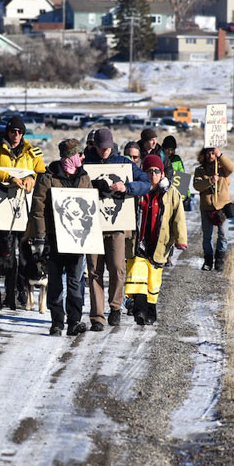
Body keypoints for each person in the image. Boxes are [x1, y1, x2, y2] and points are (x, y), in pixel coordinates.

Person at [83, 128, 150, 331]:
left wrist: (127, 187)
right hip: (92, 226)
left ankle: (115, 307)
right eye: (102, 147)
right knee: (94, 271)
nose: (105, 151)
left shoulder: (123, 163)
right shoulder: (85, 163)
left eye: (108, 147)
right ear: (95, 145)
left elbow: (145, 183)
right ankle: (97, 317)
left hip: (117, 226)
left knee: (117, 268)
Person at [0, 115, 46, 306]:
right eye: (13, 131)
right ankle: (9, 290)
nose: (16, 135)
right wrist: (7, 177)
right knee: (7, 252)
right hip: (5, 207)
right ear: (7, 132)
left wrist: (32, 177)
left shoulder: (32, 152)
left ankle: (22, 289)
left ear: (23, 134)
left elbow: (42, 172)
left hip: (24, 208)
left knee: (24, 254)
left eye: (19, 132)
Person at [29, 139, 91, 336]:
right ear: (70, 157)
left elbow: (90, 209)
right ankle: (56, 322)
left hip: (76, 240)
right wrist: (40, 237)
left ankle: (74, 321)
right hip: (54, 238)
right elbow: (38, 209)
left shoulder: (84, 177)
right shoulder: (48, 177)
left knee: (75, 282)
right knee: (55, 282)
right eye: (79, 154)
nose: (82, 157)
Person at [124, 154, 187, 325]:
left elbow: (178, 217)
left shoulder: (171, 193)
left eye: (156, 171)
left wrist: (181, 239)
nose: (153, 175)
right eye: (149, 171)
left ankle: (150, 313)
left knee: (153, 279)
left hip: (159, 242)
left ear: (162, 173)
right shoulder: (137, 191)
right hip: (138, 241)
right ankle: (139, 311)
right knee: (137, 274)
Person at [193, 147, 234, 271]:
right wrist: (210, 181)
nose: (211, 156)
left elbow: (231, 168)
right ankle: (208, 261)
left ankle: (220, 260)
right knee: (207, 236)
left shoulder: (222, 168)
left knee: (223, 235)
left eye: (213, 153)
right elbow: (197, 185)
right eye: (208, 153)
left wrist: (220, 155)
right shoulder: (200, 170)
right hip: (207, 207)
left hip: (222, 206)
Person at [161, 135, 192, 211]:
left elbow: (182, 177)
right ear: (163, 148)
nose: (170, 152)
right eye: (167, 149)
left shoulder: (176, 159)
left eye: (172, 149)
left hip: (174, 193)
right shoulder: (159, 157)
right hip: (162, 192)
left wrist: (187, 194)